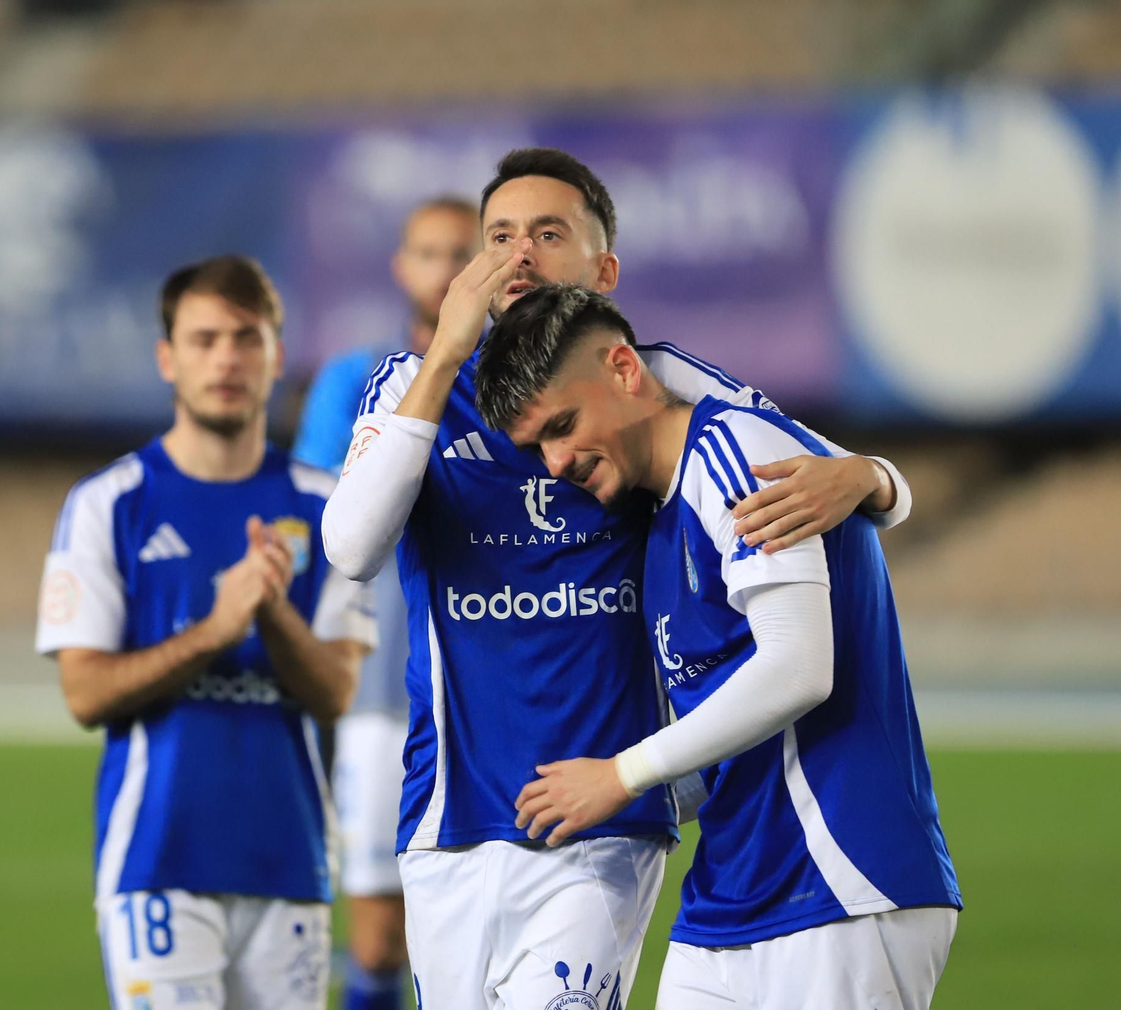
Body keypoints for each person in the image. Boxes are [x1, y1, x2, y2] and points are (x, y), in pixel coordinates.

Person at [322, 148, 915, 1010]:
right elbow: (350, 547)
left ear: (603, 270)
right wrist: (447, 351)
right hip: (446, 820)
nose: (517, 256)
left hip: (602, 823)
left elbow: (821, 478)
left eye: (547, 234)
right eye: (498, 237)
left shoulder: (649, 379)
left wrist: (876, 478)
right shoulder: (415, 387)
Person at [476, 284, 961, 1010]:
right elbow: (731, 740)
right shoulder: (665, 522)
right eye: (538, 444)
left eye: (564, 424)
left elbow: (799, 669)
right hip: (729, 901)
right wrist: (617, 801)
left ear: (622, 368)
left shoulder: (735, 450)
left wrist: (623, 773)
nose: (556, 462)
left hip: (841, 882)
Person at [37, 255, 376, 1010]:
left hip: (291, 865)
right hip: (156, 862)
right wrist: (214, 631)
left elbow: (337, 692)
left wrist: (272, 613)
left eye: (247, 338)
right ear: (168, 358)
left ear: (277, 355)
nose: (226, 358)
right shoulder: (110, 504)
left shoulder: (329, 509)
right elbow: (85, 692)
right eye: (204, 339)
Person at [293, 196, 478, 1010]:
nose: (443, 269)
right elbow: (328, 517)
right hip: (378, 688)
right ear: (402, 266)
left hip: (478, 688)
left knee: (467, 930)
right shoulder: (354, 381)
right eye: (428, 252)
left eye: (460, 253)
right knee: (376, 932)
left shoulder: (516, 382)